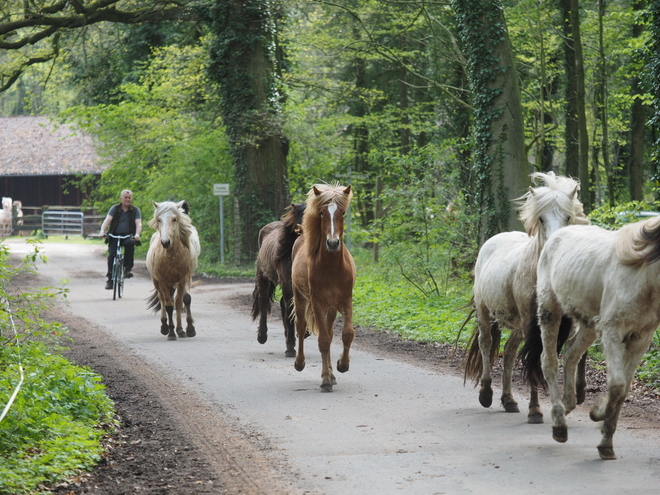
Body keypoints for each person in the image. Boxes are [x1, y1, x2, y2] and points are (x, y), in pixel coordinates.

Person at [99, 190, 142, 290]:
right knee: (111, 255)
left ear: (131, 199)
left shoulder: (135, 210)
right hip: (114, 235)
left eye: (129, 197)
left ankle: (127, 269)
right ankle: (110, 279)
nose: (127, 199)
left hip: (128, 236)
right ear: (121, 199)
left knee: (130, 244)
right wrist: (102, 231)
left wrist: (137, 234)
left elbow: (138, 224)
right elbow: (107, 220)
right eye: (125, 197)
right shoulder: (115, 208)